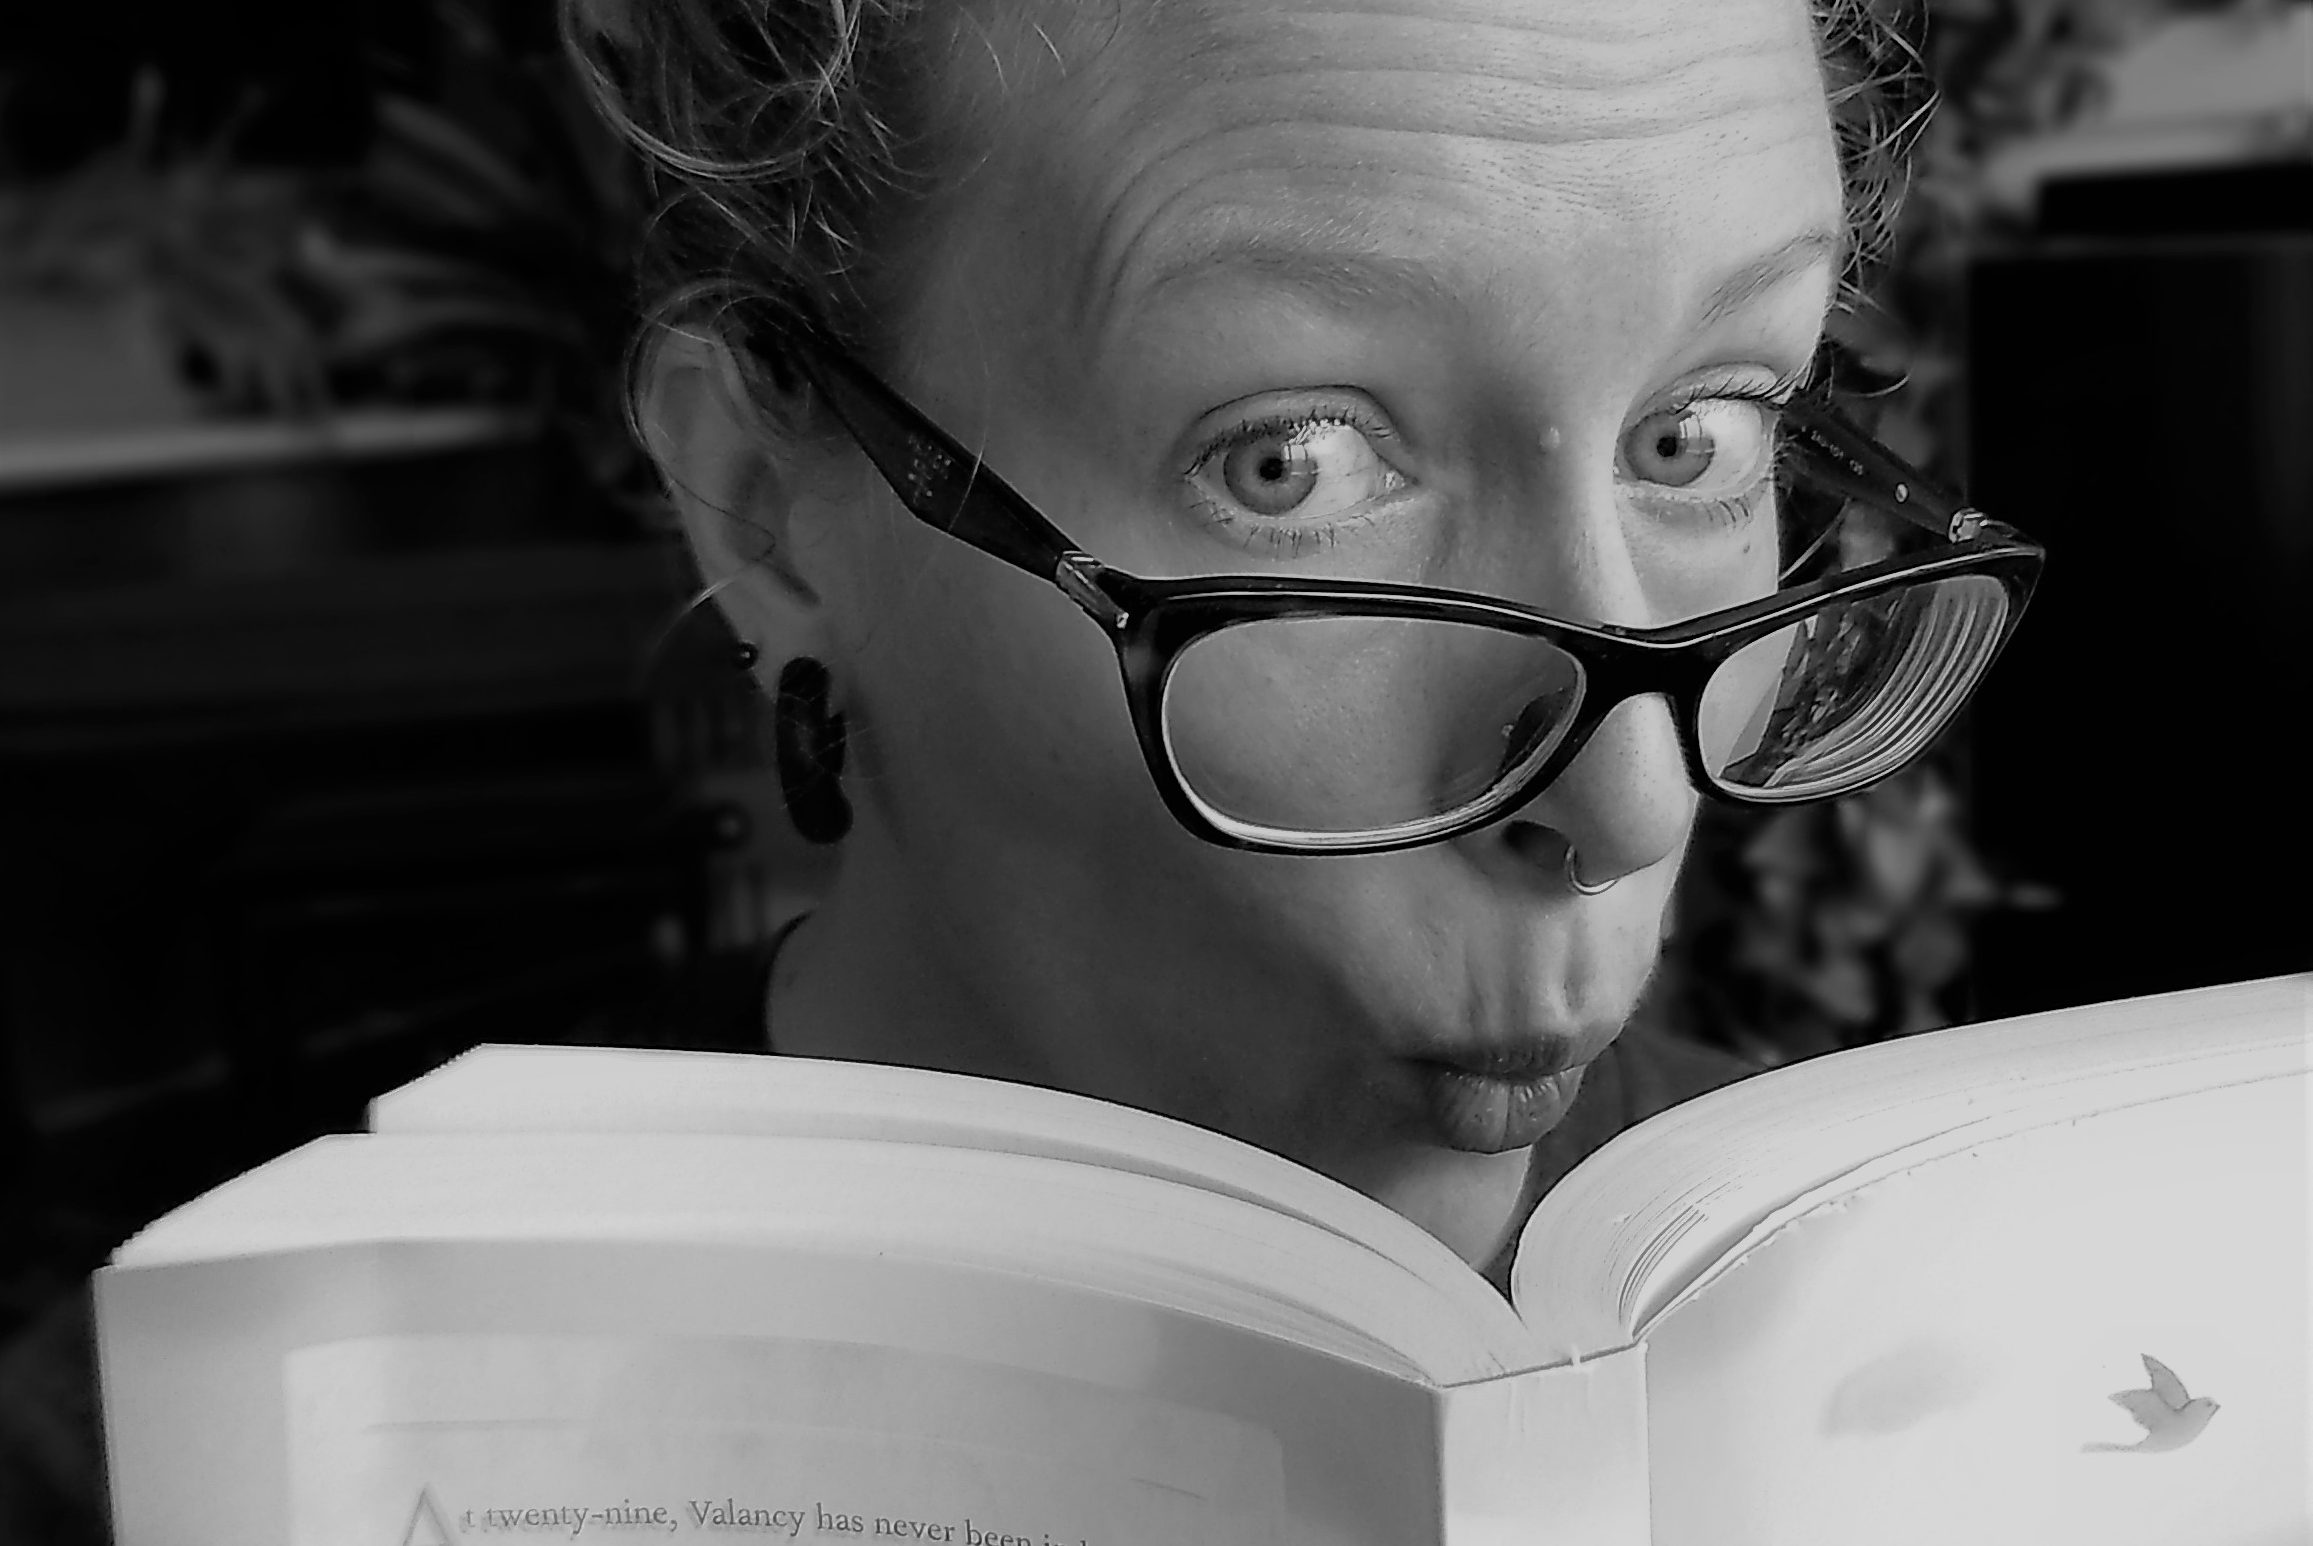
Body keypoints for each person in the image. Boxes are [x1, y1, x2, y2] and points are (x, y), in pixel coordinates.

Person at [594, 0, 2040, 1288]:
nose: (1630, 803)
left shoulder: (1901, 1331)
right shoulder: (391, 1398)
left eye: (1695, 435)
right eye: (1290, 461)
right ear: (769, 512)